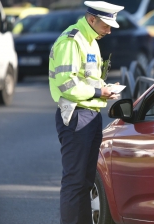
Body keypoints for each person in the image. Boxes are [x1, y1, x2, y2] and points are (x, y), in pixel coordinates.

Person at [48, 1, 124, 223]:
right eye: (106, 25)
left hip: (89, 115)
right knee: (74, 182)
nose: (109, 30)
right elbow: (67, 86)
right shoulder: (71, 41)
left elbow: (87, 78)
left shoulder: (90, 41)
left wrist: (105, 89)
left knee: (85, 182)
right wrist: (99, 91)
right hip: (76, 115)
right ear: (92, 20)